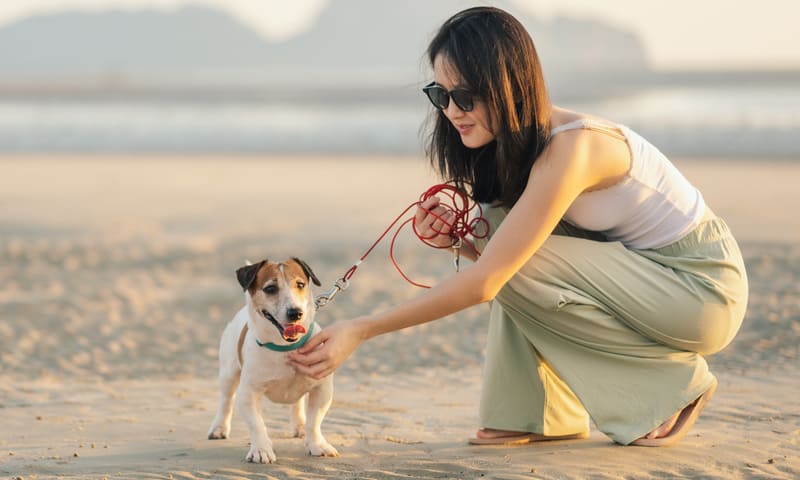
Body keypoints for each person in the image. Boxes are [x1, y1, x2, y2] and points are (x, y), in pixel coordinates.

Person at [289, 6, 748, 446]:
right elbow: (505, 263)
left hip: (701, 291)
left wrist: (361, 329)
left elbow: (491, 280)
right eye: (440, 95)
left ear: (507, 85)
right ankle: (534, 413)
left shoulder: (575, 148)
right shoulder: (519, 147)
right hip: (646, 282)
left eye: (465, 96)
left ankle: (668, 390)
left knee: (503, 254)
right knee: (494, 228)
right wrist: (462, 241)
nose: (451, 110)